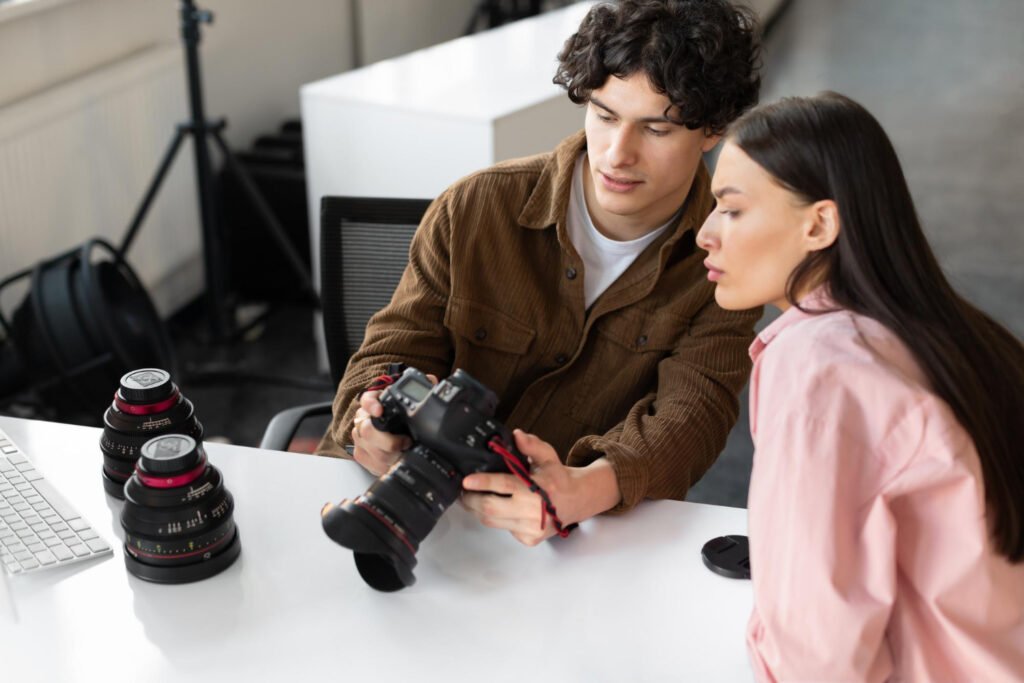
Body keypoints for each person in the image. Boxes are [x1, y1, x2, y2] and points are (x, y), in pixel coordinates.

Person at [316, 0, 763, 545]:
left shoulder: (726, 260)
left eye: (656, 129)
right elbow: (389, 352)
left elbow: (694, 415)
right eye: (604, 116)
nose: (617, 154)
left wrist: (587, 487)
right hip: (401, 503)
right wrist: (371, 422)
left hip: (563, 538)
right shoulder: (475, 205)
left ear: (713, 130)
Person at [697, 91, 1024, 682]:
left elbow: (818, 660)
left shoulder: (819, 372)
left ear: (819, 224)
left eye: (732, 209)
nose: (705, 233)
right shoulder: (956, 336)